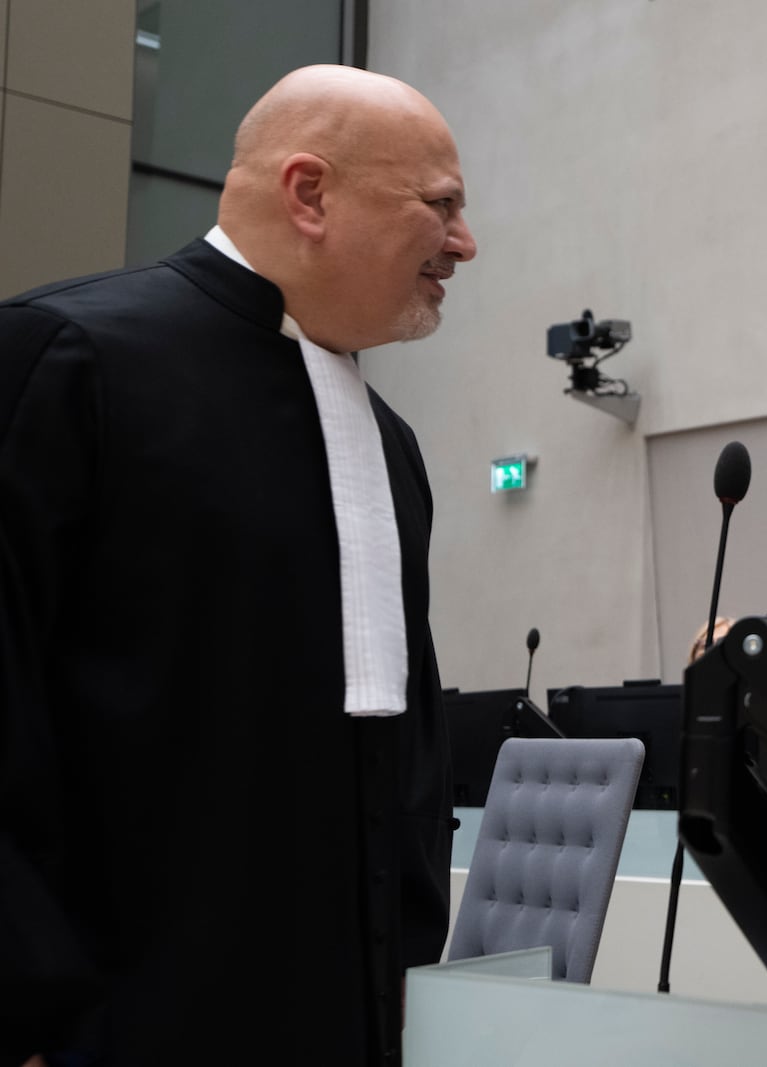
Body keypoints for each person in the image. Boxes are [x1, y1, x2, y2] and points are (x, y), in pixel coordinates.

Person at [0, 65, 477, 1065]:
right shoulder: (65, 356)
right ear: (309, 193)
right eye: (440, 205)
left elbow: (398, 758)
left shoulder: (391, 442)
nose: (464, 243)